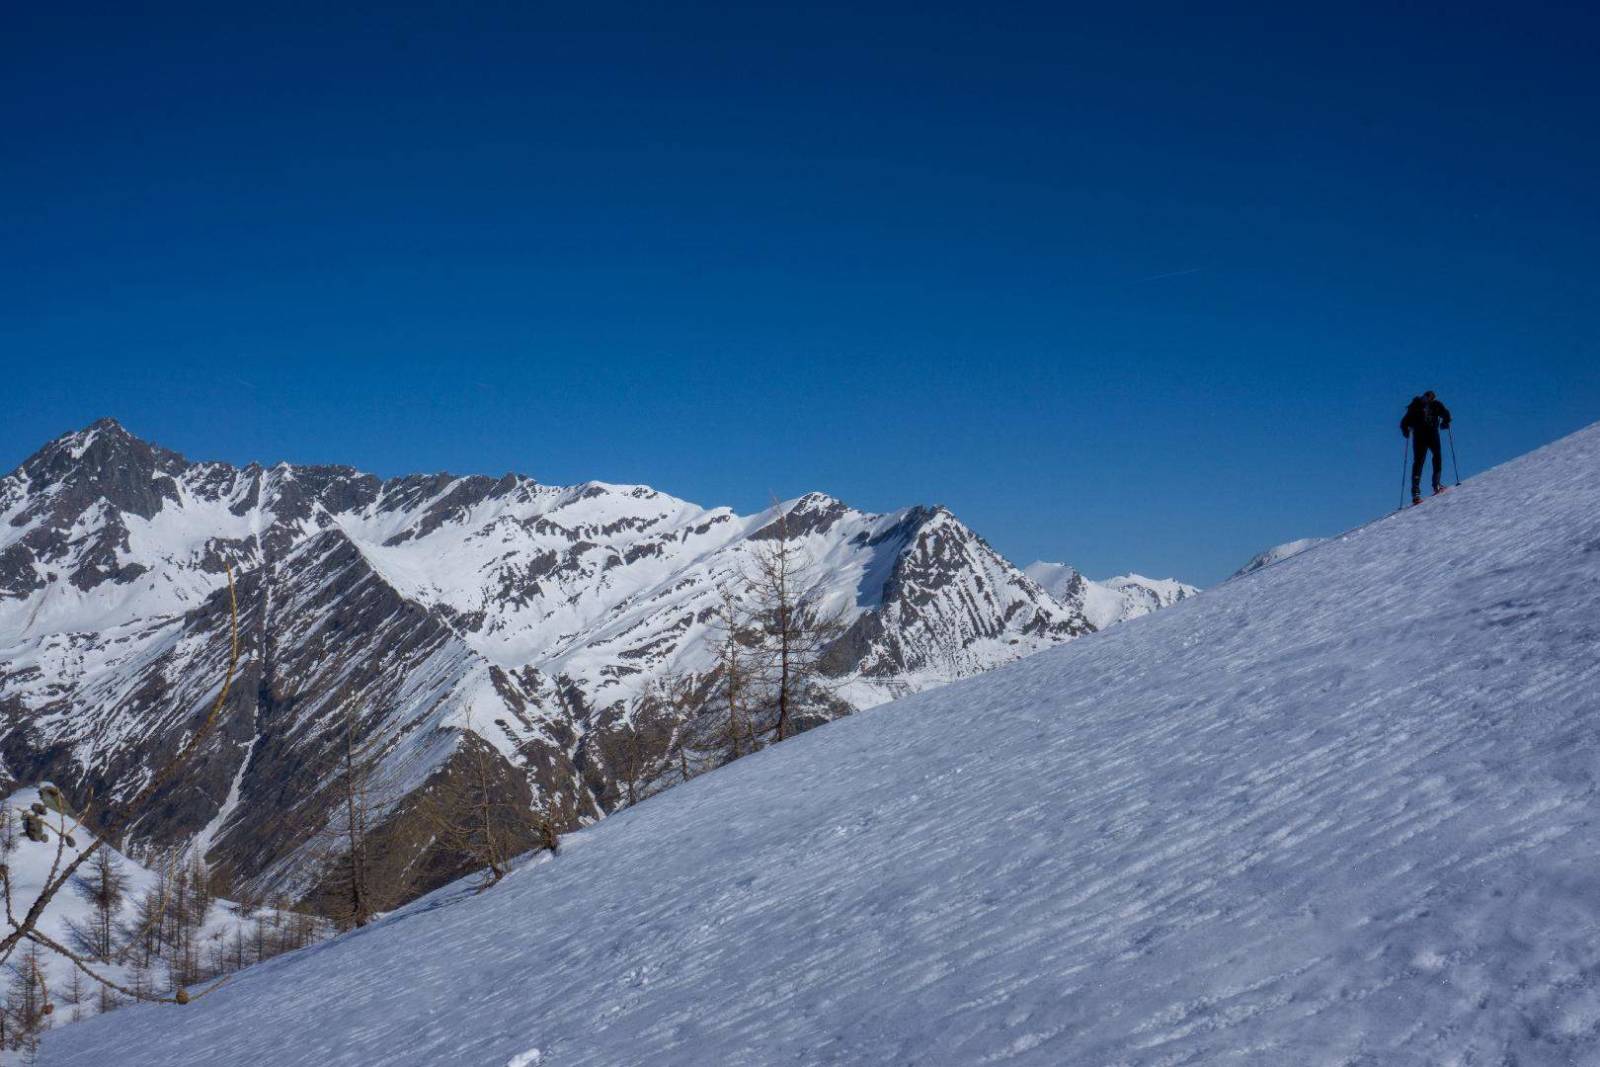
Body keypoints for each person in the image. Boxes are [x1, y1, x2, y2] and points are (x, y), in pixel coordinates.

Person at [1400, 390, 1452, 504]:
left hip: (1418, 436)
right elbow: (1446, 414)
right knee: (1437, 456)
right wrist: (1445, 423)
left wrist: (1406, 432)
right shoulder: (1435, 404)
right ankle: (1436, 484)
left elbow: (1404, 422)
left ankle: (1416, 493)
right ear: (1432, 397)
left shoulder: (1414, 406)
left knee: (1418, 462)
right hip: (1432, 433)